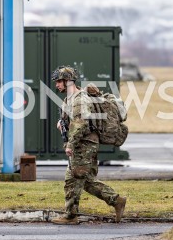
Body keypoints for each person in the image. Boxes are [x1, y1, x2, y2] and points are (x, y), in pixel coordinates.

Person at [50, 65, 126, 225]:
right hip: (83, 143)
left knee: (73, 178)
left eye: (58, 82)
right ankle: (116, 200)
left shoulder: (80, 99)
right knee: (86, 181)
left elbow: (80, 123)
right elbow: (71, 121)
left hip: (84, 145)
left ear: (68, 81)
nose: (56, 85)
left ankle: (71, 215)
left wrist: (70, 144)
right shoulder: (69, 100)